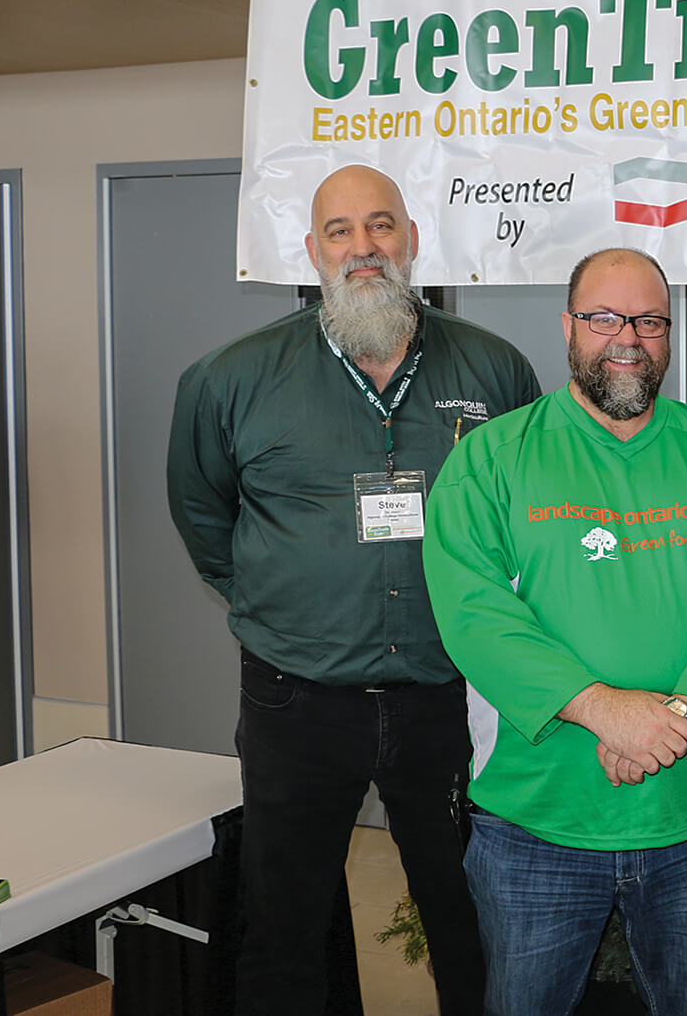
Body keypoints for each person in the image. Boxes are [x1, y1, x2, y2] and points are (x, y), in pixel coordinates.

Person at [167, 164, 540, 1015]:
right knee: (283, 922)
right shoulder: (230, 378)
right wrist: (282, 602)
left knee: (470, 914)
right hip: (296, 700)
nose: (363, 247)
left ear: (411, 240)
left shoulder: (494, 369)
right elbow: (204, 518)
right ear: (312, 249)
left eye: (381, 225)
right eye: (341, 231)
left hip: (451, 696)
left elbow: (528, 514)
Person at [421, 247, 687, 1016]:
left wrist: (675, 717)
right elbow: (474, 615)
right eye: (604, 318)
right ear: (567, 326)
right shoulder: (491, 461)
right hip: (536, 826)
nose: (628, 337)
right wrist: (605, 709)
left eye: (650, 321)